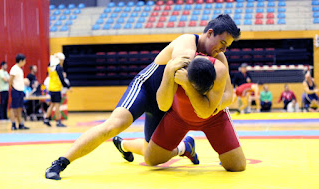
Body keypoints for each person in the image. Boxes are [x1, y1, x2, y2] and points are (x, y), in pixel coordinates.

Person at [45, 14, 241, 180]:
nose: (223, 49)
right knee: (114, 125)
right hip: (147, 88)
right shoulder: (186, 43)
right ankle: (62, 161)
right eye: (222, 42)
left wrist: (214, 105)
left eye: (227, 46)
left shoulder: (219, 59)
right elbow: (174, 88)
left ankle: (181, 147)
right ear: (209, 33)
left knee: (151, 155)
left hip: (167, 100)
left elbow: (228, 95)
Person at [115, 55, 245, 171]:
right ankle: (183, 147)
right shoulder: (179, 63)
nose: (221, 47)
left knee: (237, 165)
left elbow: (208, 109)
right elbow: (162, 104)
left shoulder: (219, 65)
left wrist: (188, 85)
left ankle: (183, 147)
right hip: (178, 117)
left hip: (213, 119)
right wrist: (169, 71)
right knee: (151, 159)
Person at [43, 53, 70, 127]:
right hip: (56, 89)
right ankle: (58, 121)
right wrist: (68, 86)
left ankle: (46, 119)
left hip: (51, 88)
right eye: (62, 61)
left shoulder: (51, 66)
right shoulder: (58, 68)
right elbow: (61, 79)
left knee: (52, 104)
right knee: (57, 105)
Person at [9, 53, 29, 130]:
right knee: (13, 108)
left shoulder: (20, 69)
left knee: (19, 108)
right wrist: (13, 88)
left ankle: (20, 123)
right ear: (21, 61)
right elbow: (10, 80)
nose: (25, 62)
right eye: (24, 61)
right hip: (16, 91)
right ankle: (13, 124)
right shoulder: (14, 69)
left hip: (20, 91)